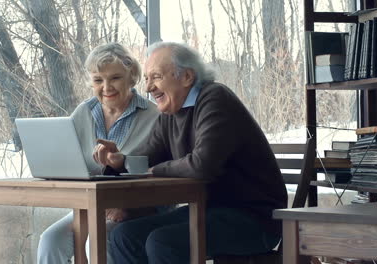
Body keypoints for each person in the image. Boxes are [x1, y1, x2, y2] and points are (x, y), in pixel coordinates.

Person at [93, 41, 288, 264]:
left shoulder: (215, 98)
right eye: (147, 78)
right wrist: (120, 161)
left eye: (156, 77)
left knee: (162, 241)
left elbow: (201, 165)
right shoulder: (170, 112)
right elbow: (146, 157)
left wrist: (154, 170)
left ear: (187, 77)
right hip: (210, 211)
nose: (148, 87)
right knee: (124, 236)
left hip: (254, 217)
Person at [37, 43, 160, 264]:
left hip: (138, 208)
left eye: (115, 78)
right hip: (91, 206)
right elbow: (69, 165)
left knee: (96, 240)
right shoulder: (82, 112)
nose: (106, 87)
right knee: (50, 240)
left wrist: (128, 204)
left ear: (131, 77)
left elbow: (161, 173)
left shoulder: (154, 116)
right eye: (98, 80)